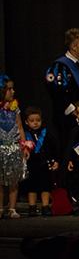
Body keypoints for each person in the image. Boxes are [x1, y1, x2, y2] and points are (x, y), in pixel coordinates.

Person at [22, 107, 59, 216]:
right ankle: (32, 207)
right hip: (31, 164)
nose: (35, 123)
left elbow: (54, 147)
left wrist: (55, 160)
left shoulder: (46, 133)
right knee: (31, 187)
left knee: (45, 186)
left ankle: (45, 206)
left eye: (38, 120)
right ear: (26, 122)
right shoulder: (25, 134)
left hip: (44, 164)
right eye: (32, 121)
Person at [0, 75, 27, 219]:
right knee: (0, 180)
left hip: (14, 148)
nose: (12, 92)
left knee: (13, 180)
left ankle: (12, 208)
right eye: (9, 89)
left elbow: (20, 127)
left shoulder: (15, 109)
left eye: (12, 88)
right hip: (1, 148)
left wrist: (24, 146)